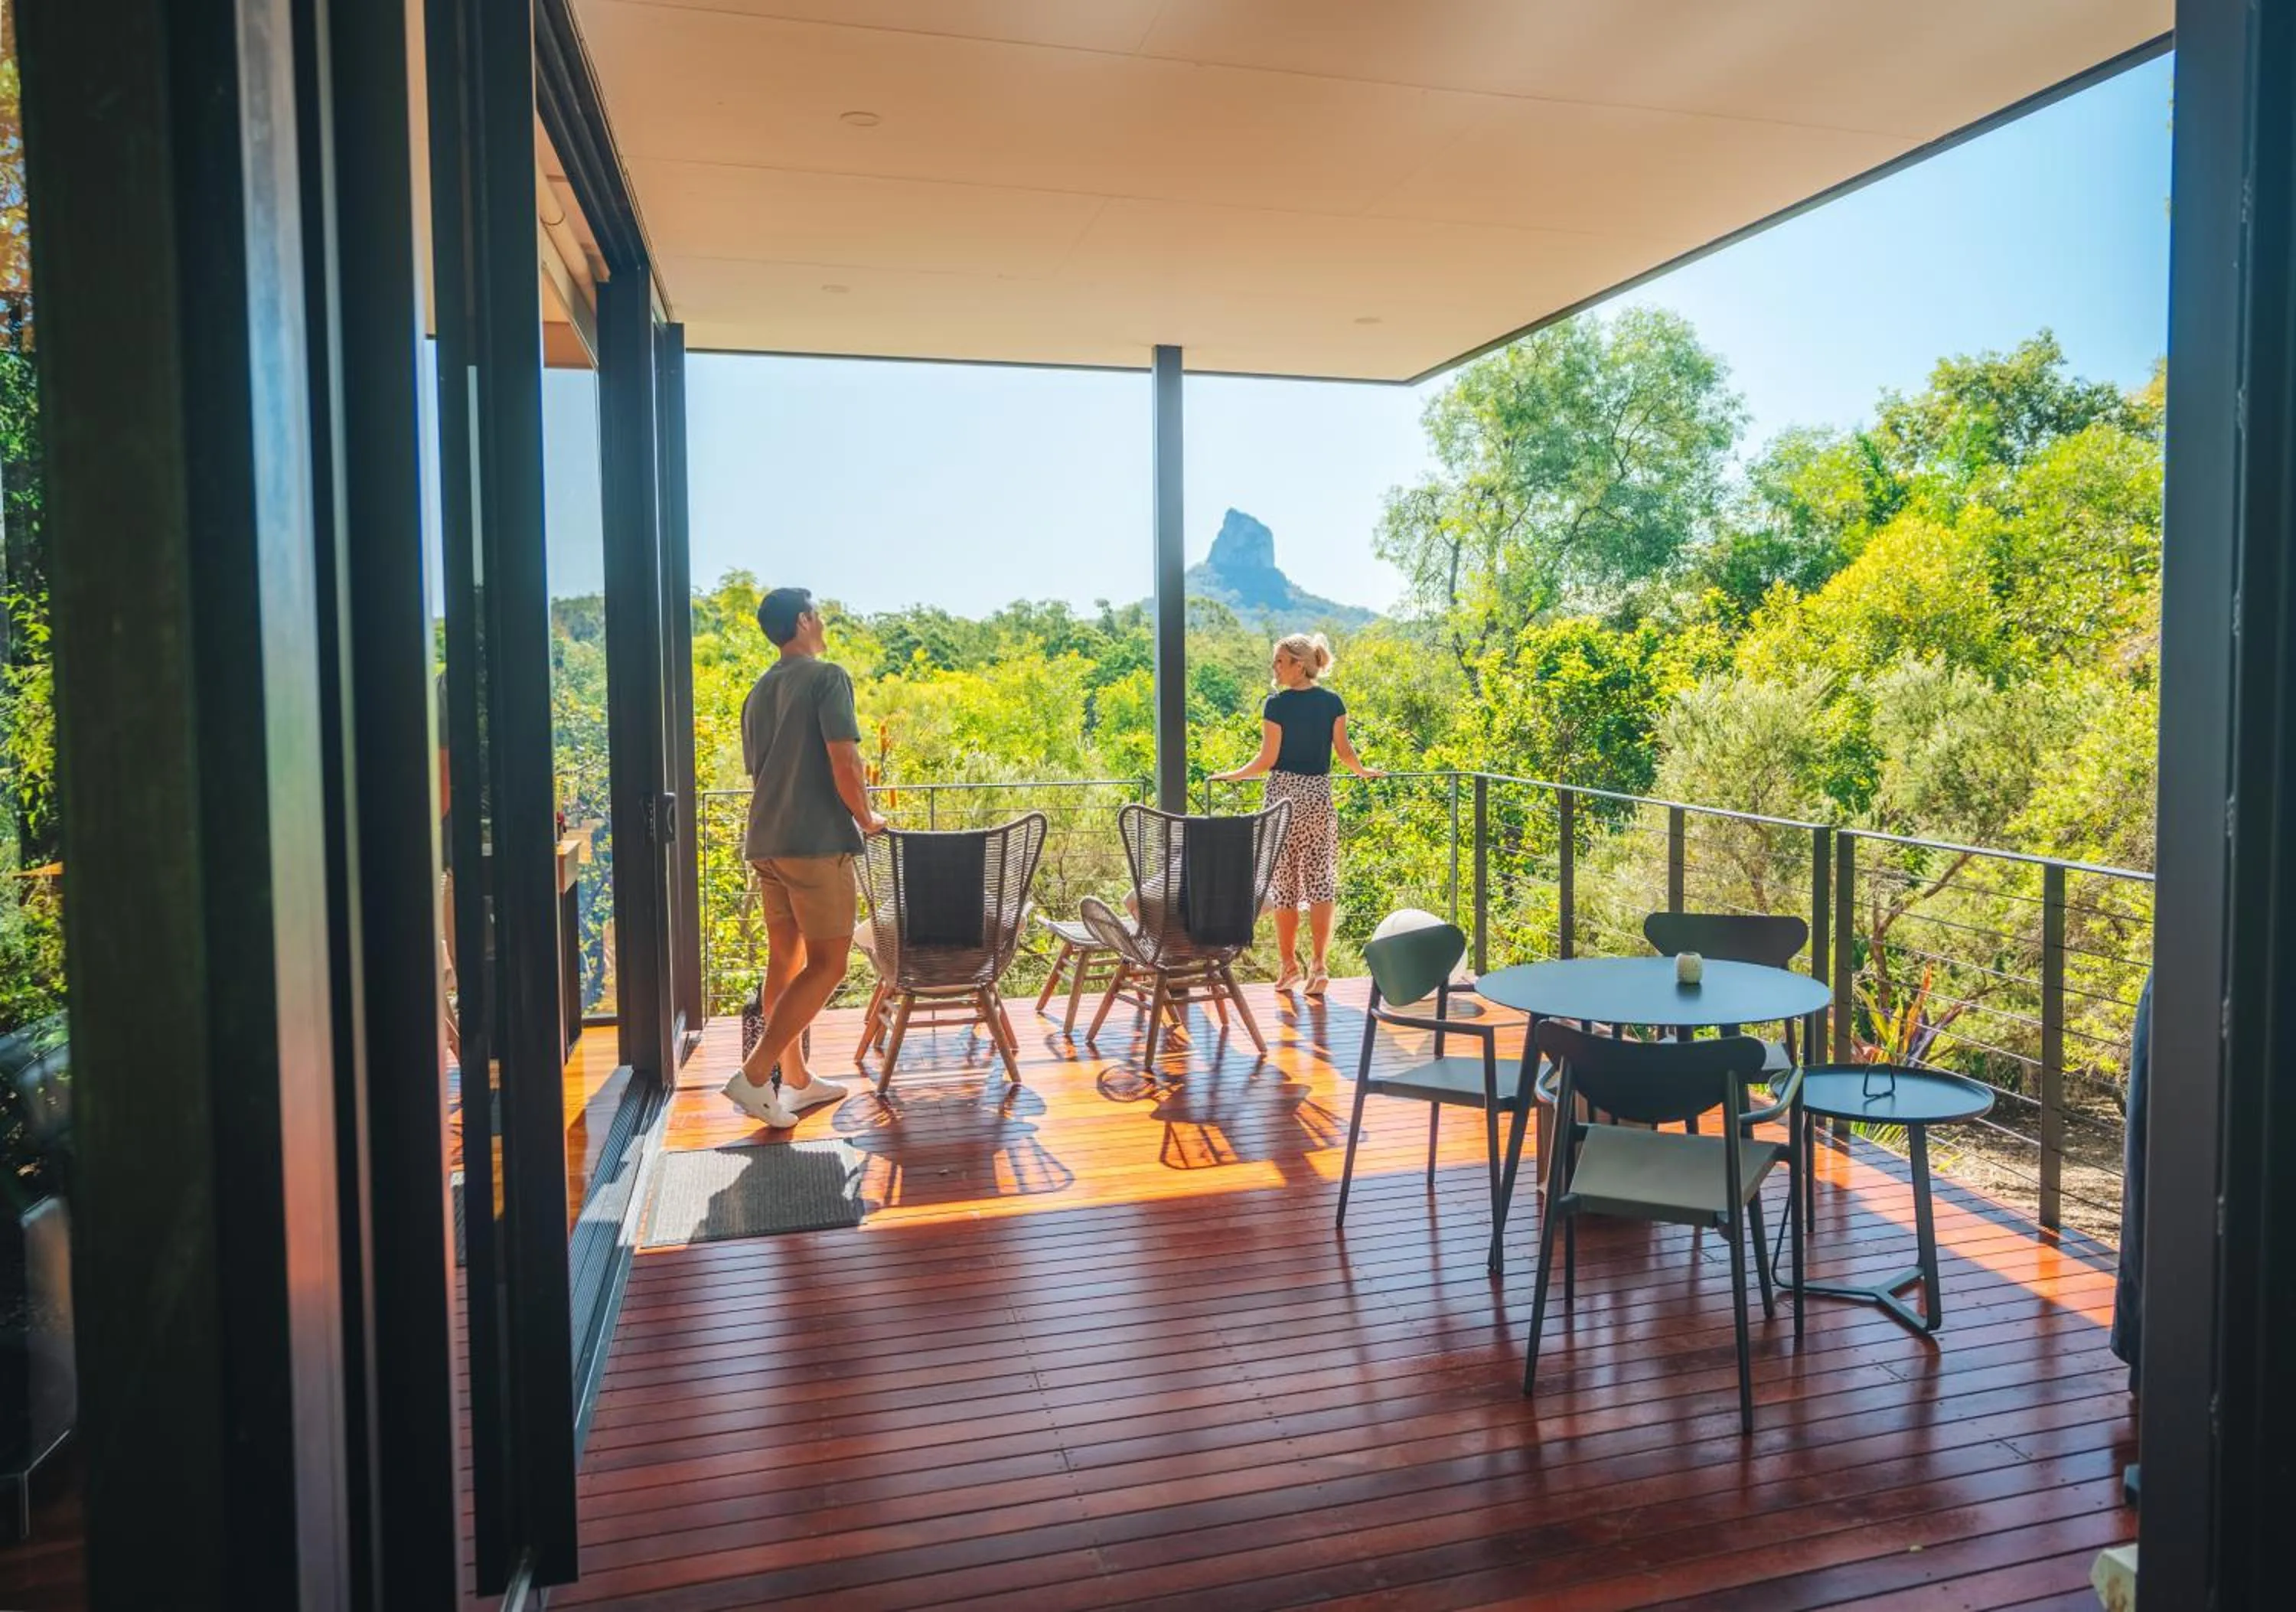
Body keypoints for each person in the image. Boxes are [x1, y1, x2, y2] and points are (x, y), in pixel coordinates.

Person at [726, 586, 886, 1127]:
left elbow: (763, 769)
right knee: (828, 965)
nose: (822, 622)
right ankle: (754, 1077)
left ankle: (793, 1082)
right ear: (801, 621)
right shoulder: (826, 677)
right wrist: (867, 819)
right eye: (816, 614)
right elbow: (844, 760)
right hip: (815, 844)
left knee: (786, 961)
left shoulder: (758, 691)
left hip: (767, 842)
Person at [1208, 631, 1379, 994]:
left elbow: (1267, 760)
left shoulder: (1277, 705)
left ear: (1299, 666)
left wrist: (1234, 775)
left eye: (1280, 662)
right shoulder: (1333, 702)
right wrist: (1363, 772)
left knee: (1285, 884)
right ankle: (1319, 966)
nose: (1275, 668)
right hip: (1318, 797)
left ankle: (1288, 967)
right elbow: (1345, 753)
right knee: (1320, 881)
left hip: (1283, 799)